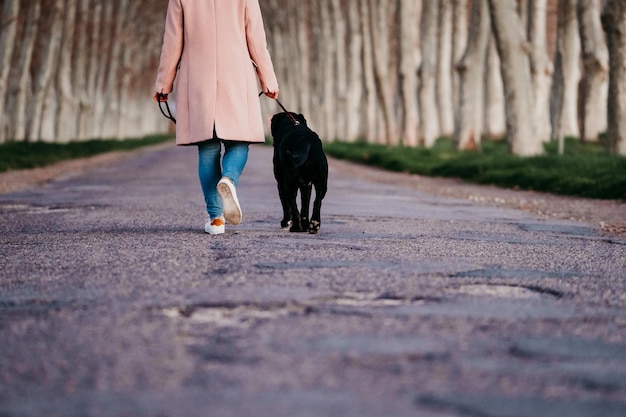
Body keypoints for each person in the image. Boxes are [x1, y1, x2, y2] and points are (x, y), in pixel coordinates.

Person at [154, 0, 279, 235]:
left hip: (197, 75)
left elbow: (172, 43)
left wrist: (164, 84)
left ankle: (216, 220)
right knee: (239, 141)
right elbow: (255, 38)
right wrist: (268, 79)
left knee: (208, 149)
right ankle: (229, 179)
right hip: (236, 73)